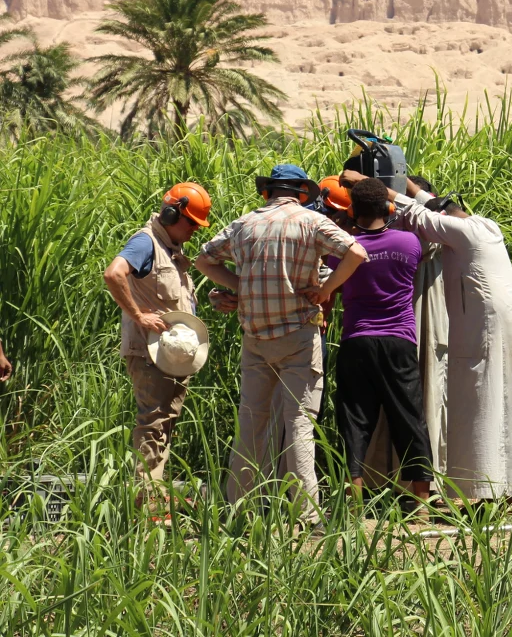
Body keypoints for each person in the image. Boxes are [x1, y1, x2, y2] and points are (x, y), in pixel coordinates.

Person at [341, 169, 512, 501]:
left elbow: (419, 214)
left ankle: (485, 490)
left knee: (482, 398)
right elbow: (433, 206)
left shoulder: (457, 232)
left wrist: (379, 189)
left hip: (486, 322)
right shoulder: (484, 226)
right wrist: (408, 186)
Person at [195, 164, 367, 525]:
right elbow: (356, 253)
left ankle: (238, 510)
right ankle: (306, 516)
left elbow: (203, 258)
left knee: (251, 425)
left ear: (267, 192)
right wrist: (326, 289)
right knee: (300, 425)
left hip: (256, 338)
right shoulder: (310, 222)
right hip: (298, 338)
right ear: (302, 193)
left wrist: (241, 287)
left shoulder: (244, 224)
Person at [327, 178, 434, 509]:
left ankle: (355, 501)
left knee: (355, 421)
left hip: (357, 341)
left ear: (352, 210)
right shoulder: (409, 243)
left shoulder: (345, 250)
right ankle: (420, 504)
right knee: (410, 417)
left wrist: (343, 224)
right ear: (388, 208)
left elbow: (335, 280)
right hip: (398, 341)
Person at [101, 182, 212, 485]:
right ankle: (145, 504)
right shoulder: (145, 242)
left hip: (170, 355)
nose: (196, 230)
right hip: (150, 354)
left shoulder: (170, 249)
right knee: (152, 426)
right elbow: (114, 273)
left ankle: (154, 494)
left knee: (163, 426)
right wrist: (139, 315)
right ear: (172, 215)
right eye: (192, 223)